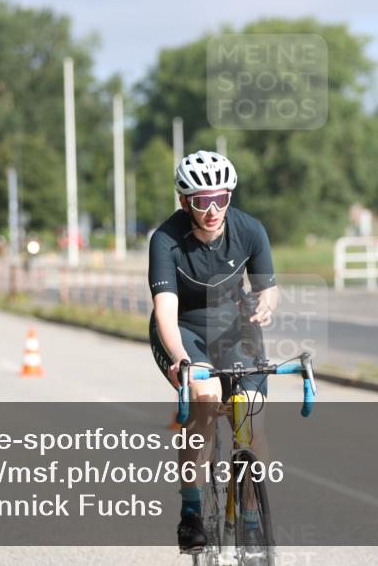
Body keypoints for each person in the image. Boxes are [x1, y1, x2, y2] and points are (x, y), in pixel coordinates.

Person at [147, 150, 278, 551]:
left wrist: (266, 305)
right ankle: (191, 512)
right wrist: (181, 359)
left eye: (220, 198)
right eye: (202, 201)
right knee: (206, 398)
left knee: (249, 414)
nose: (213, 209)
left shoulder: (250, 230)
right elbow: (166, 312)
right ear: (185, 201)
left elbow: (267, 289)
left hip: (233, 327)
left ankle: (251, 518)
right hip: (183, 329)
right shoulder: (166, 240)